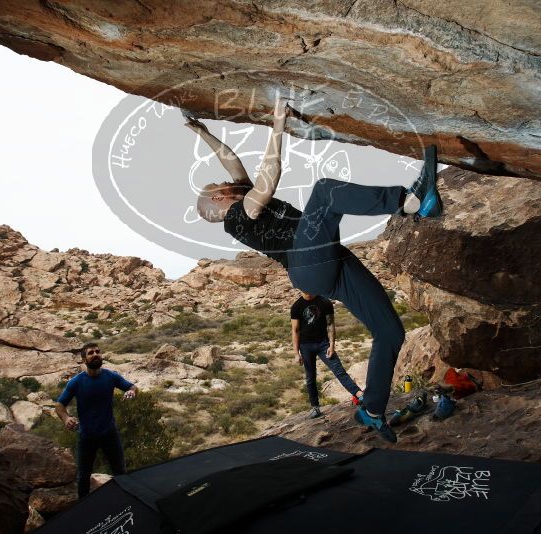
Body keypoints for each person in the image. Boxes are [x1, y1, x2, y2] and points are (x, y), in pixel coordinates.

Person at [185, 95, 443, 444]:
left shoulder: (240, 195)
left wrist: (202, 131)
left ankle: (372, 409)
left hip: (324, 259)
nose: (222, 181)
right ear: (218, 199)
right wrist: (278, 124)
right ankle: (409, 203)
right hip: (305, 263)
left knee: (389, 331)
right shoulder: (235, 217)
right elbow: (269, 177)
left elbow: (230, 160)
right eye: (217, 186)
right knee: (323, 192)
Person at [55, 343, 139, 498]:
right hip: (86, 436)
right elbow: (60, 405)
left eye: (98, 352)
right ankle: (83, 508)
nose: (95, 354)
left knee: (120, 472)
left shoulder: (111, 376)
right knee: (83, 476)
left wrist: (131, 392)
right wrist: (66, 418)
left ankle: (127, 501)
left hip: (109, 434)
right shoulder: (76, 382)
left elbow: (132, 387)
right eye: (90, 353)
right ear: (84, 359)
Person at [291, 290, 364, 419]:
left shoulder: (324, 302)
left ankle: (360, 395)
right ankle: (315, 407)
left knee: (339, 371)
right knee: (310, 377)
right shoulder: (296, 306)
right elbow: (295, 330)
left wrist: (331, 345)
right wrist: (296, 353)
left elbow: (330, 324)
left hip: (323, 344)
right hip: (305, 346)